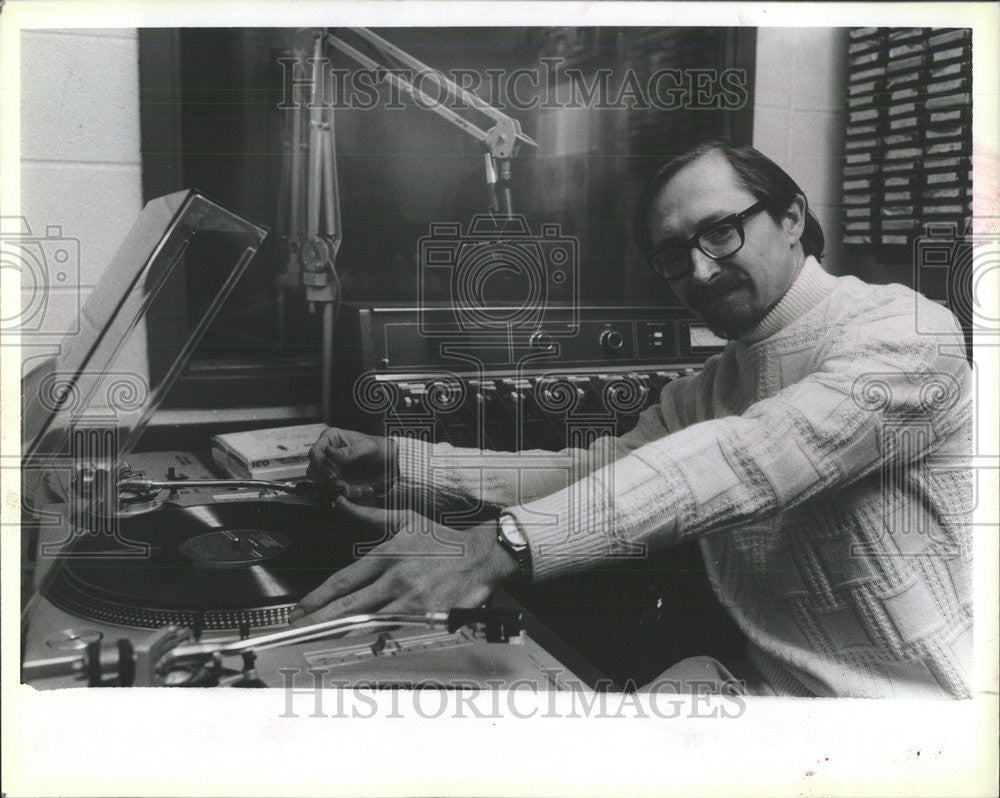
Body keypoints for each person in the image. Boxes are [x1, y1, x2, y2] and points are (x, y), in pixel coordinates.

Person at [294, 140, 973, 698]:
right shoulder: (711, 385)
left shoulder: (908, 334)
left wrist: (501, 548)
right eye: (674, 255)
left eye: (720, 232)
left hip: (914, 716)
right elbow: (590, 471)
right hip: (772, 688)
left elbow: (751, 457)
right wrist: (409, 467)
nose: (701, 272)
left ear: (792, 217)